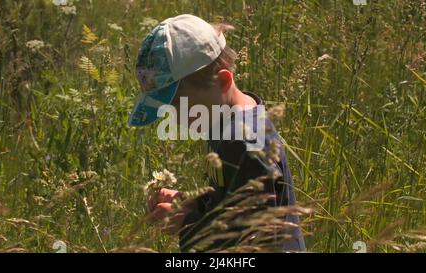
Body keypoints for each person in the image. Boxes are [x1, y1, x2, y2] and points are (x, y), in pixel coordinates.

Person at [128, 14, 305, 252]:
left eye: (179, 104)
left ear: (222, 81)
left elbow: (259, 233)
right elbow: (230, 203)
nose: (174, 116)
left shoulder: (245, 140)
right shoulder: (223, 123)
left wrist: (186, 225)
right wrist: (191, 204)